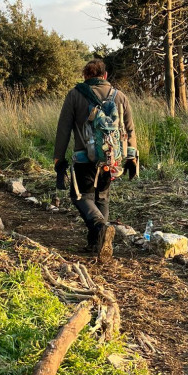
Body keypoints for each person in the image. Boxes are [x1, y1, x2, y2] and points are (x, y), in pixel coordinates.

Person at [53, 59, 138, 259]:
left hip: (84, 158)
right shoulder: (120, 96)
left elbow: (63, 128)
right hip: (112, 159)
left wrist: (58, 157)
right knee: (102, 197)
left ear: (85, 76)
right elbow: (129, 128)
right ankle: (96, 244)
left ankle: (101, 228)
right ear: (105, 76)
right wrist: (132, 157)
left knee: (81, 196)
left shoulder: (75, 95)